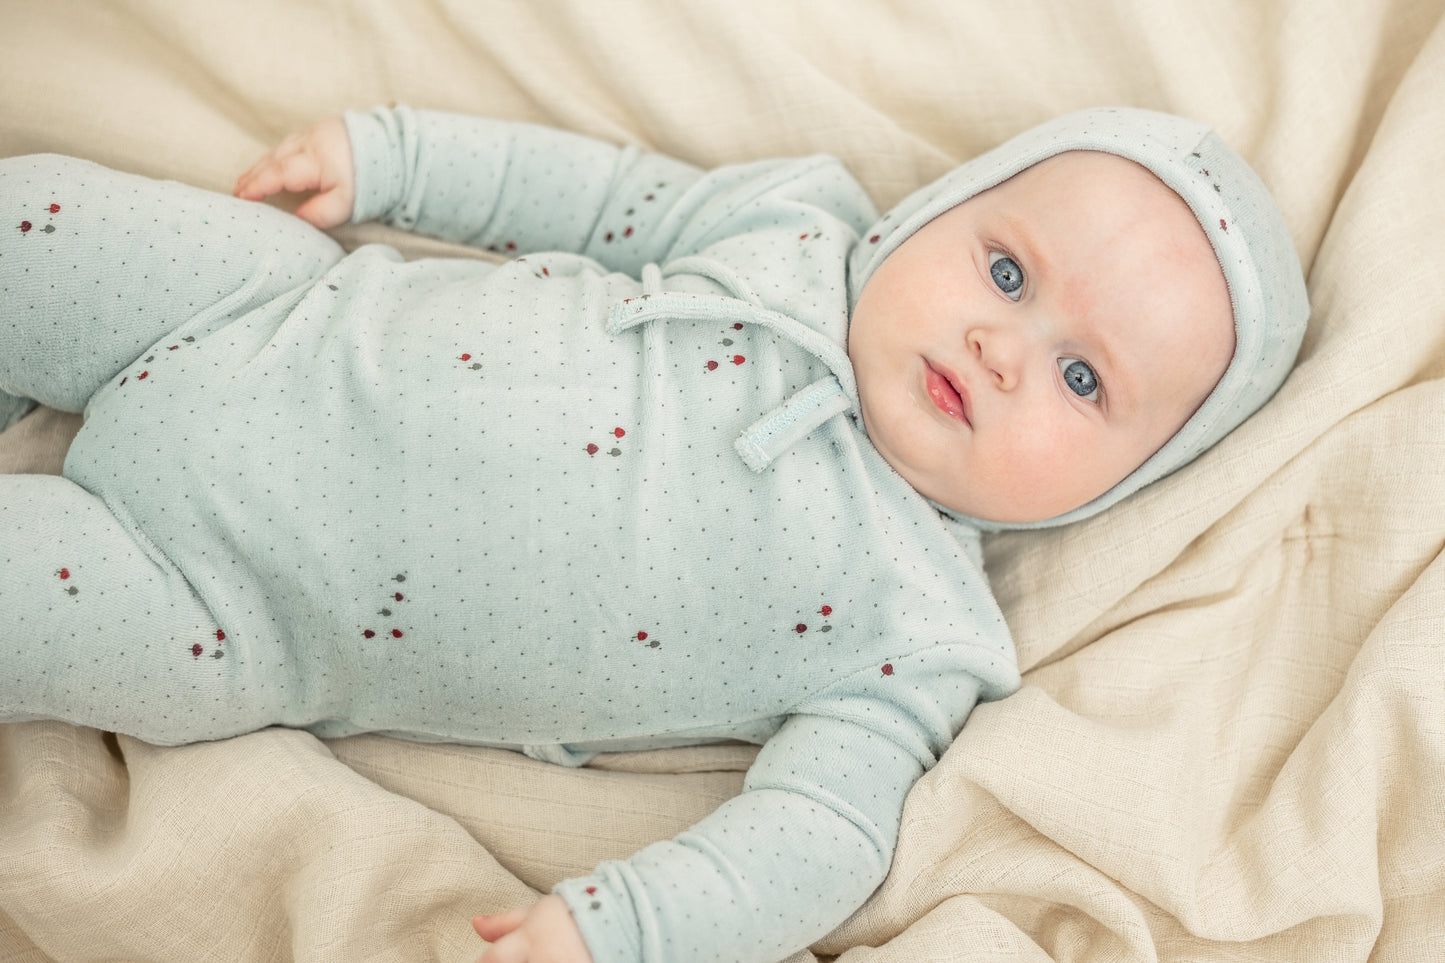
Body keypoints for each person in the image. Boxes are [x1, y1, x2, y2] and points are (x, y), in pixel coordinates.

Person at [0, 104, 1308, 963]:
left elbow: (820, 836)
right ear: (930, 216)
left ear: (1127, 481)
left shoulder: (916, 630)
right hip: (265, 310)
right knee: (38, 226)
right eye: (1006, 272)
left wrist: (629, 930)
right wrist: (391, 157)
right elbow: (590, 193)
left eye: (1083, 380)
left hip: (229, 609)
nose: (1000, 347)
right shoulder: (792, 229)